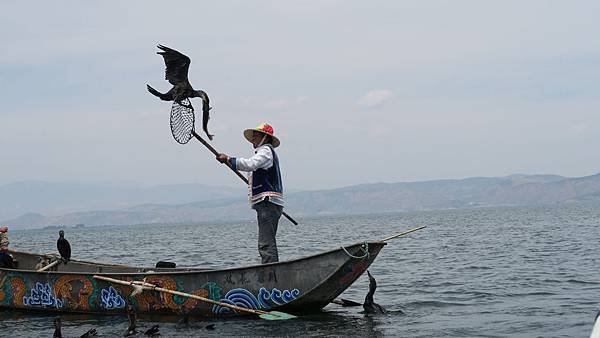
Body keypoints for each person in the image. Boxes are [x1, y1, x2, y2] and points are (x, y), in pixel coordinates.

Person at [216, 123, 284, 264]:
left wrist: (229, 159)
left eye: (256, 135)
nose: (253, 138)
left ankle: (270, 272)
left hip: (268, 202)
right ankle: (270, 269)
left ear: (265, 137)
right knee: (267, 241)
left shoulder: (265, 151)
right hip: (268, 203)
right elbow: (253, 169)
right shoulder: (264, 153)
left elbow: (250, 164)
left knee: (266, 243)